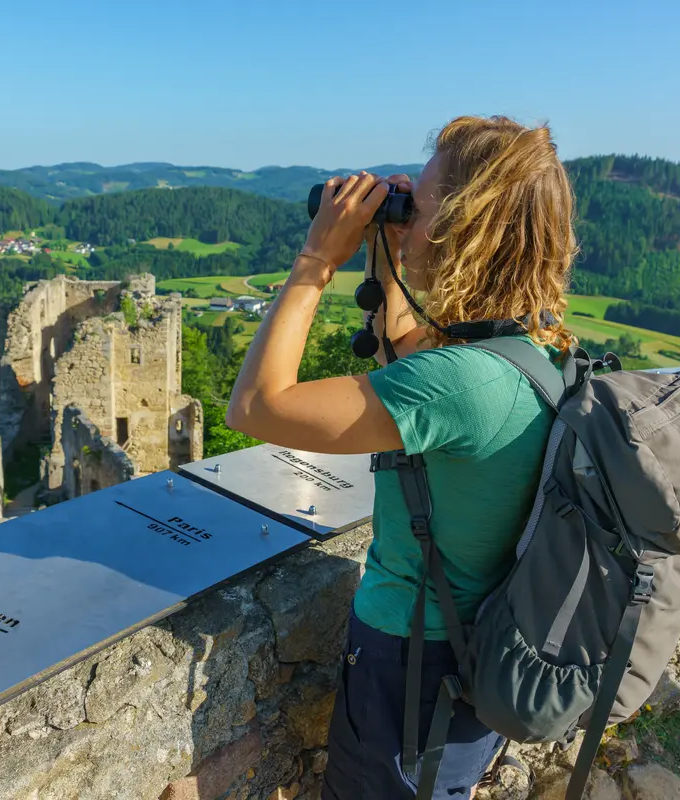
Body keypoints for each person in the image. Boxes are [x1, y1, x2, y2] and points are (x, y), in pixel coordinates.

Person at [225, 115, 579, 799]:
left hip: (410, 669)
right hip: (477, 657)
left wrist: (316, 260)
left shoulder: (461, 384)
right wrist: (388, 257)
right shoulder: (533, 351)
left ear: (460, 229)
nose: (405, 215)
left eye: (417, 204)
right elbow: (414, 367)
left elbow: (256, 408)